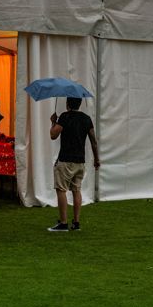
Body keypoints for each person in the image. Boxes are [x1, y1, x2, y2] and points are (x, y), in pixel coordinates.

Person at [48, 97, 99, 232]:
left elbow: (53, 135)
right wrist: (97, 159)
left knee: (61, 190)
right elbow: (93, 141)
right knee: (77, 190)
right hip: (80, 161)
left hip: (65, 160)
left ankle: (63, 223)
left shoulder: (64, 117)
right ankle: (76, 223)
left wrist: (53, 122)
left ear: (67, 104)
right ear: (80, 103)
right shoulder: (86, 119)